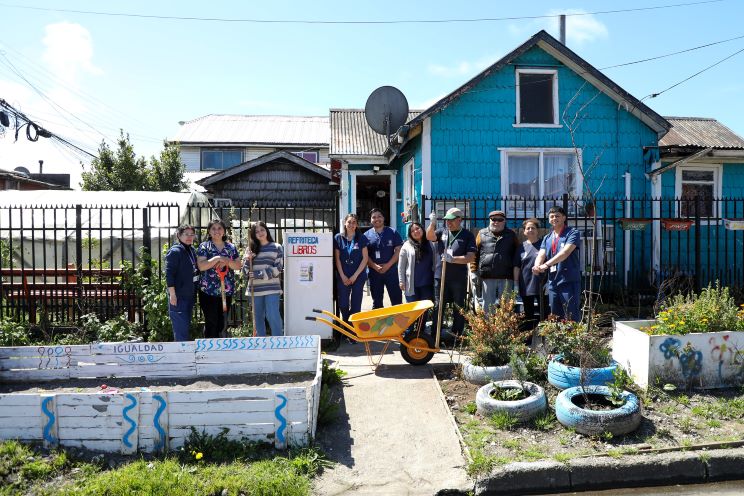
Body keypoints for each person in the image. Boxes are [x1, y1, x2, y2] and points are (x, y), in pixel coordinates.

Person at [427, 207, 477, 338]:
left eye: (451, 220)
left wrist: (453, 259)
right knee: (438, 306)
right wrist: (432, 223)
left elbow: (470, 257)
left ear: (459, 220)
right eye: (446, 220)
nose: (448, 223)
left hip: (458, 278)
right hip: (440, 275)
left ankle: (456, 336)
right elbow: (429, 236)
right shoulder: (442, 232)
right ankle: (435, 336)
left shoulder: (467, 235)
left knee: (458, 307)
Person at [532, 206, 582, 321]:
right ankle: (558, 339)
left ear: (564, 217)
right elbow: (541, 254)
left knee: (571, 316)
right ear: (549, 219)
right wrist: (537, 265)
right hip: (553, 282)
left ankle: (573, 339)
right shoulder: (547, 237)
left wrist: (546, 265)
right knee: (555, 316)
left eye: (557, 216)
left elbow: (565, 253)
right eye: (552, 216)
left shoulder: (572, 233)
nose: (554, 218)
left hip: (569, 281)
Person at [197, 219, 242, 339]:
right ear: (209, 231)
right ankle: (209, 347)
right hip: (208, 291)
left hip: (225, 291)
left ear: (224, 231)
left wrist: (226, 261)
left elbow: (238, 265)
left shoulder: (230, 247)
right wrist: (217, 258)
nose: (217, 231)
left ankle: (220, 347)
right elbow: (201, 266)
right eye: (213, 228)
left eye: (219, 228)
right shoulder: (204, 246)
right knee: (211, 321)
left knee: (222, 321)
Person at [243, 221, 284, 337]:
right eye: (256, 231)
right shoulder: (250, 249)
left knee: (272, 315)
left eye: (262, 230)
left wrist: (258, 274)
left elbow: (278, 268)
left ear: (266, 230)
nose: (260, 233)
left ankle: (278, 341)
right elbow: (245, 271)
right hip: (255, 289)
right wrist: (247, 259)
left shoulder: (277, 247)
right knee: (258, 318)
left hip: (272, 288)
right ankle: (261, 343)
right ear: (253, 234)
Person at [475, 210, 518, 314]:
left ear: (504, 221)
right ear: (489, 220)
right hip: (487, 276)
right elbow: (475, 254)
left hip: (506, 276)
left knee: (506, 306)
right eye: (493, 219)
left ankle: (505, 329)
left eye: (500, 219)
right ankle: (487, 329)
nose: (496, 222)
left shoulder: (511, 235)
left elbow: (517, 255)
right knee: (487, 306)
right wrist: (473, 271)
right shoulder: (481, 234)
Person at [165, 225, 199, 341]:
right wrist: (172, 295)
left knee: (185, 329)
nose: (189, 237)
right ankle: (180, 357)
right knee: (181, 332)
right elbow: (169, 274)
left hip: (189, 296)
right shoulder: (175, 252)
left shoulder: (191, 250)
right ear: (179, 236)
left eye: (191, 234)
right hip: (178, 297)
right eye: (186, 234)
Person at [364, 208, 403, 308]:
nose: (377, 219)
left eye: (379, 216)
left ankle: (399, 323)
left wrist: (387, 265)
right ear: (371, 220)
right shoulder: (366, 236)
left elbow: (398, 251)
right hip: (374, 272)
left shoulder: (393, 232)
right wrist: (374, 266)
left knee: (397, 301)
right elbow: (365, 255)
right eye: (374, 217)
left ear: (383, 218)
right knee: (377, 303)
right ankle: (379, 323)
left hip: (391, 272)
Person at [334, 213, 369, 323]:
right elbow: (337, 259)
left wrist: (355, 276)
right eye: (349, 222)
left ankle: (352, 331)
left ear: (357, 225)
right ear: (345, 223)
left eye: (354, 222)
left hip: (358, 276)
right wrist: (343, 276)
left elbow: (365, 259)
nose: (351, 224)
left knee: (356, 304)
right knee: (343, 304)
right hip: (343, 275)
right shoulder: (338, 238)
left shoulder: (362, 238)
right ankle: (346, 323)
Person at [514, 218, 545, 332]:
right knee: (528, 314)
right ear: (524, 231)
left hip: (542, 285)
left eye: (533, 228)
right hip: (526, 285)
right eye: (528, 228)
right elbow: (517, 267)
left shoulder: (544, 245)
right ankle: (529, 337)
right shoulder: (520, 247)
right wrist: (516, 284)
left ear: (538, 231)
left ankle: (544, 336)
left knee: (544, 313)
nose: (530, 230)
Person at [398, 222, 436, 303]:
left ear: (422, 229)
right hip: (411, 285)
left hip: (427, 284)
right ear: (410, 234)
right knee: (414, 310)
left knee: (425, 310)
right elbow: (401, 266)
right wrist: (401, 281)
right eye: (412, 231)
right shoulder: (406, 245)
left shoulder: (431, 243)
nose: (415, 231)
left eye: (417, 228)